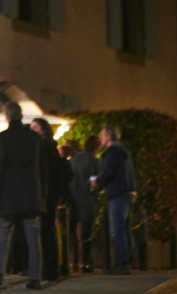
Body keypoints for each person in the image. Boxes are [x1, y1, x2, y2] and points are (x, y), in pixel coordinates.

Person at [0, 102, 47, 291]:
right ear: (21, 115)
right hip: (31, 194)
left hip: (9, 194)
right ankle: (35, 277)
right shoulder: (34, 138)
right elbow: (42, 168)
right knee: (32, 237)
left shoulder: (3, 137)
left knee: (4, 233)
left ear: (6, 116)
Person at [91, 125, 136, 275]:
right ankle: (127, 261)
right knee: (124, 229)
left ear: (109, 137)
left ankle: (122, 264)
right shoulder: (123, 152)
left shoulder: (112, 152)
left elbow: (108, 173)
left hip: (118, 194)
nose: (101, 138)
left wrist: (97, 182)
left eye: (102, 135)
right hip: (128, 193)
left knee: (117, 231)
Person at [30, 117, 64, 281]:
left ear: (43, 129)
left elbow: (48, 173)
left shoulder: (45, 146)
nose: (32, 130)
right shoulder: (46, 146)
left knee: (45, 231)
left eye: (35, 127)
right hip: (47, 194)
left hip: (46, 195)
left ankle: (49, 268)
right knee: (46, 230)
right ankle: (49, 267)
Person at [69, 135, 100, 272]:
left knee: (71, 233)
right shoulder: (95, 161)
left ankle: (73, 261)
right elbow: (96, 182)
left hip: (72, 199)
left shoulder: (74, 160)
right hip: (87, 200)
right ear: (96, 147)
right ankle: (86, 262)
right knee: (86, 234)